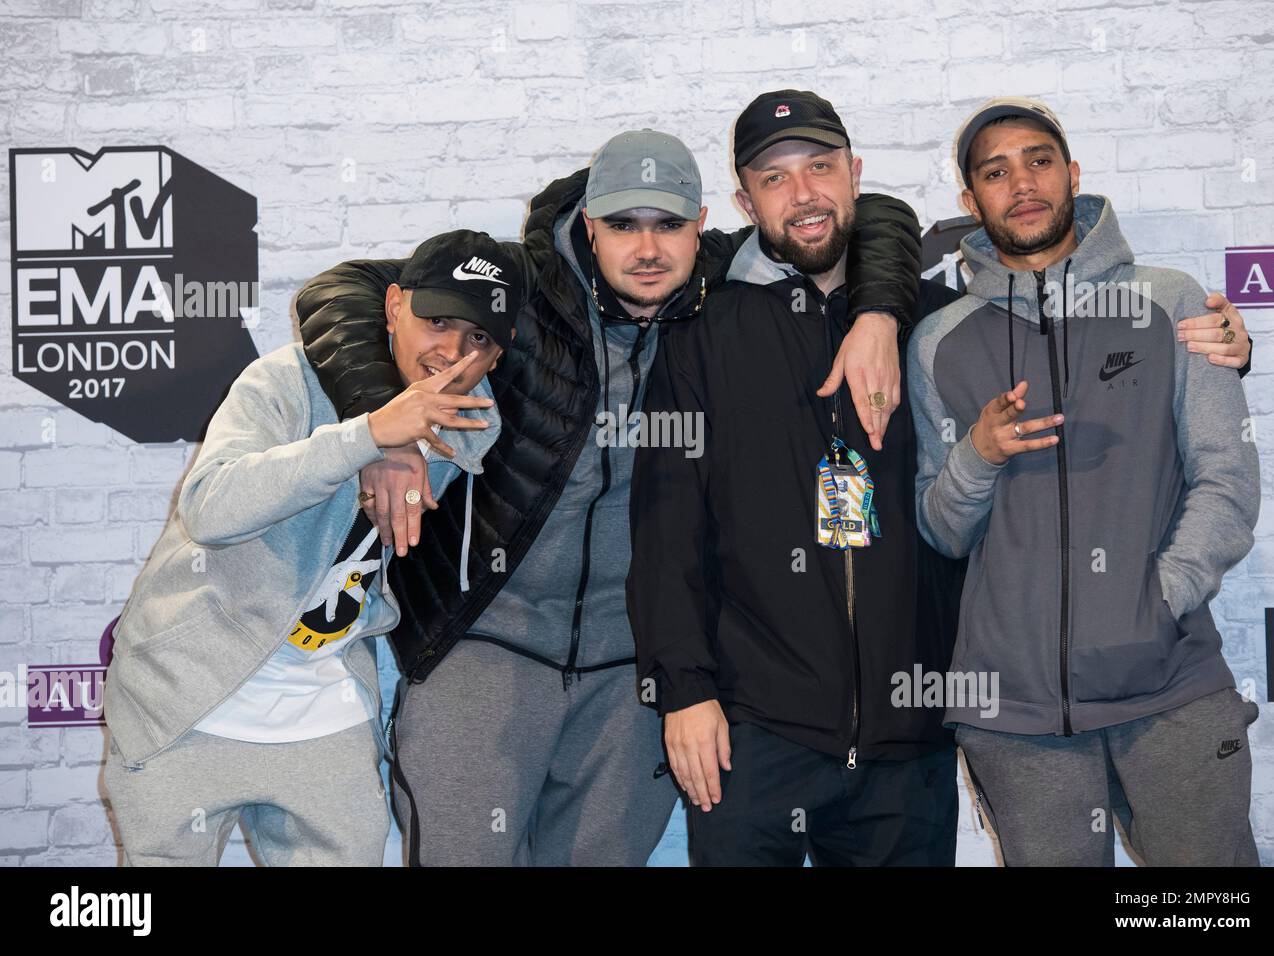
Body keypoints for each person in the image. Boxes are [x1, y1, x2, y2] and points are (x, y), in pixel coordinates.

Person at [292, 130, 923, 865]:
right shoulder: (517, 283)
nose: (647, 249)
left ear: (707, 223)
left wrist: (878, 315)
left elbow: (875, 216)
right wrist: (385, 431)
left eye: (669, 225)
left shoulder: (725, 281)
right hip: (487, 641)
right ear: (589, 225)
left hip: (634, 667)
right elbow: (338, 291)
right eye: (623, 225)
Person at [908, 97, 1261, 866]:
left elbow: (1226, 479)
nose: (1022, 184)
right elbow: (939, 526)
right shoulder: (939, 340)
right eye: (995, 172)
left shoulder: (1168, 303)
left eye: (1038, 161)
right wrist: (979, 454)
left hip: (1170, 688)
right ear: (970, 200)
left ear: (1071, 173)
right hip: (1014, 715)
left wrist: (1155, 599)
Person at [628, 90, 968, 866]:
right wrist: (683, 690)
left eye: (820, 167)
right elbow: (665, 531)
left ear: (855, 174)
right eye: (776, 179)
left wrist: (1210, 339)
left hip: (909, 738)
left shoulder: (937, 318)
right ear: (746, 202)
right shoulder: (700, 335)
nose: (805, 194)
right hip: (755, 734)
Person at [103, 230, 517, 865]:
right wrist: (372, 435)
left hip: (325, 713)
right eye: (437, 321)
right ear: (394, 305)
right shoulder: (287, 380)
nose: (453, 353)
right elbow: (211, 509)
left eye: (479, 338)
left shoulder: (472, 425)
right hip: (190, 701)